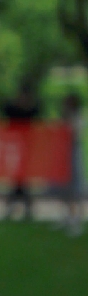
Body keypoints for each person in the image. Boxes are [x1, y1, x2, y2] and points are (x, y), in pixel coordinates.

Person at [2, 80, 40, 221]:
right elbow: (5, 111)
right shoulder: (12, 109)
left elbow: (37, 112)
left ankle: (18, 206)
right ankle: (21, 206)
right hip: (14, 147)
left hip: (27, 148)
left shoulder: (30, 111)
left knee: (21, 179)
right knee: (17, 179)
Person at [62, 93, 85, 238]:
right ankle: (67, 215)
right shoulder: (63, 118)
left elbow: (75, 134)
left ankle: (77, 219)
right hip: (63, 154)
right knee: (64, 187)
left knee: (75, 187)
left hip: (73, 153)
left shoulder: (77, 118)